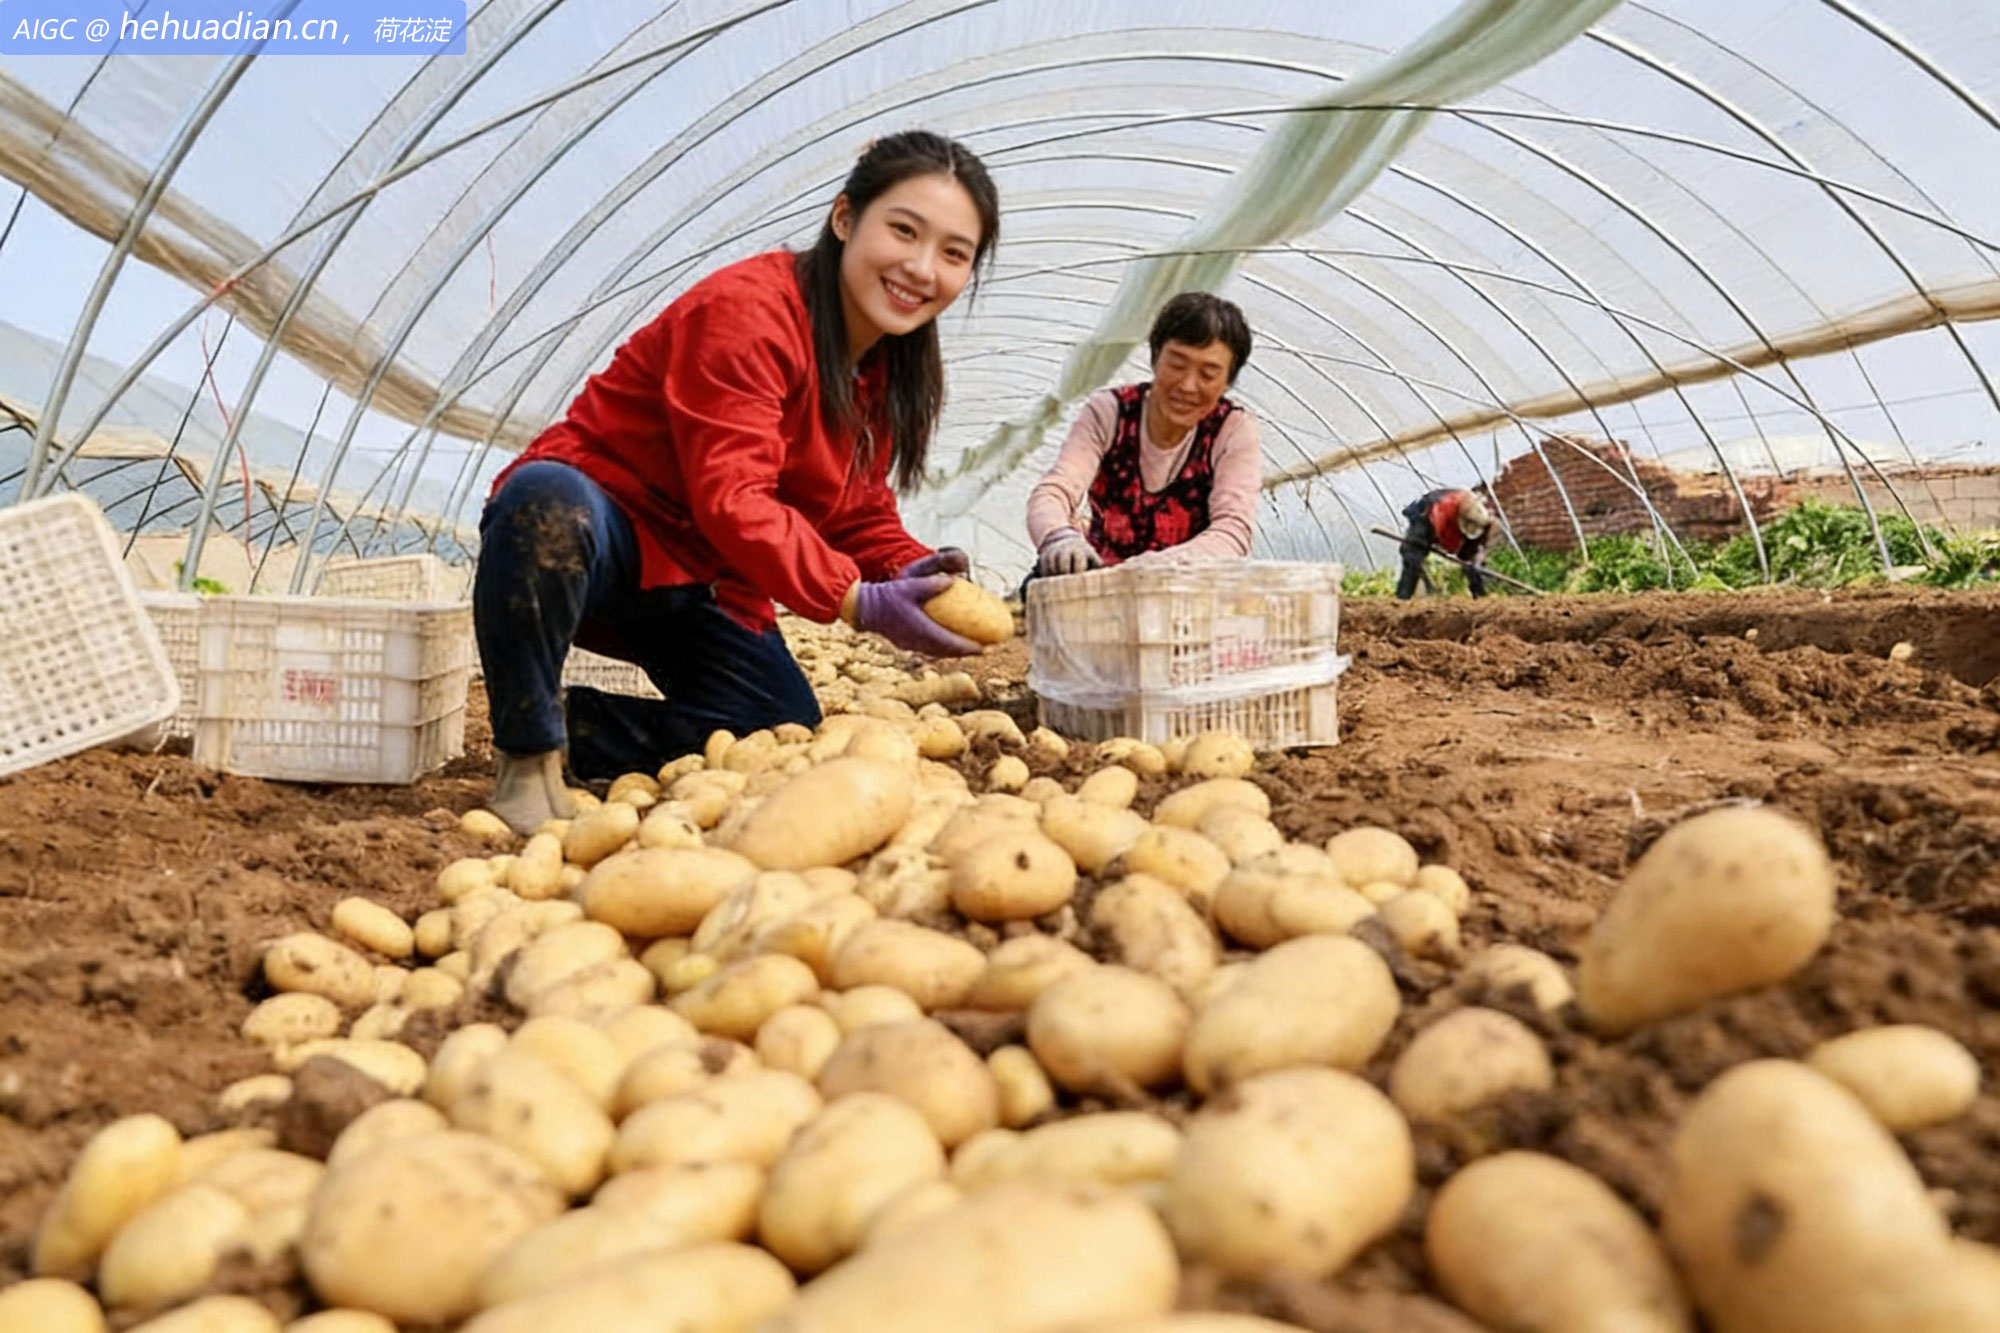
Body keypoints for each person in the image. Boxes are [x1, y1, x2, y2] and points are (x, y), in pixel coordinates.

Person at [472, 130, 1001, 832]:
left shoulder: (885, 370)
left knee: (775, 726)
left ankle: (582, 726)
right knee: (543, 502)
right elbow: (734, 496)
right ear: (845, 219)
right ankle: (527, 753)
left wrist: (907, 567)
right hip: (614, 535)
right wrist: (857, 599)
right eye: (903, 231)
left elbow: (855, 508)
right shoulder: (749, 311)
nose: (921, 267)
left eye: (953, 253)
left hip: (710, 578)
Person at [1024, 292, 1262, 577]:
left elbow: (1232, 530)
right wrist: (1059, 537)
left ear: (1227, 382)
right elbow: (1055, 490)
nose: (1187, 385)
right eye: (1176, 364)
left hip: (1187, 589)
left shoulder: (1231, 430)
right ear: (1155, 357)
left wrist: (1157, 569)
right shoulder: (1110, 413)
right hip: (1099, 583)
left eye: (1208, 374)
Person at [1397, 487, 1492, 600]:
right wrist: (1442, 546)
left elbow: (1478, 545)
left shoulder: (1482, 518)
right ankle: (1403, 598)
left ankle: (1480, 597)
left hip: (1457, 524)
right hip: (1426, 518)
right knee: (1412, 556)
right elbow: (1441, 531)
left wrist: (1476, 559)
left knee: (1473, 567)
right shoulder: (1443, 507)